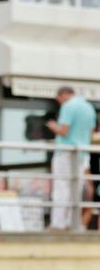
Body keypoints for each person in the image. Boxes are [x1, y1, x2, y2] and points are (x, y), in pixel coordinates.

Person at [46, 85, 95, 232]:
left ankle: (58, 224)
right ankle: (71, 223)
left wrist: (52, 125)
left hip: (66, 152)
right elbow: (91, 132)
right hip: (83, 153)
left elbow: (64, 131)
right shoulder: (88, 107)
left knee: (61, 188)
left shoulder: (68, 106)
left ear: (62, 95)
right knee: (76, 189)